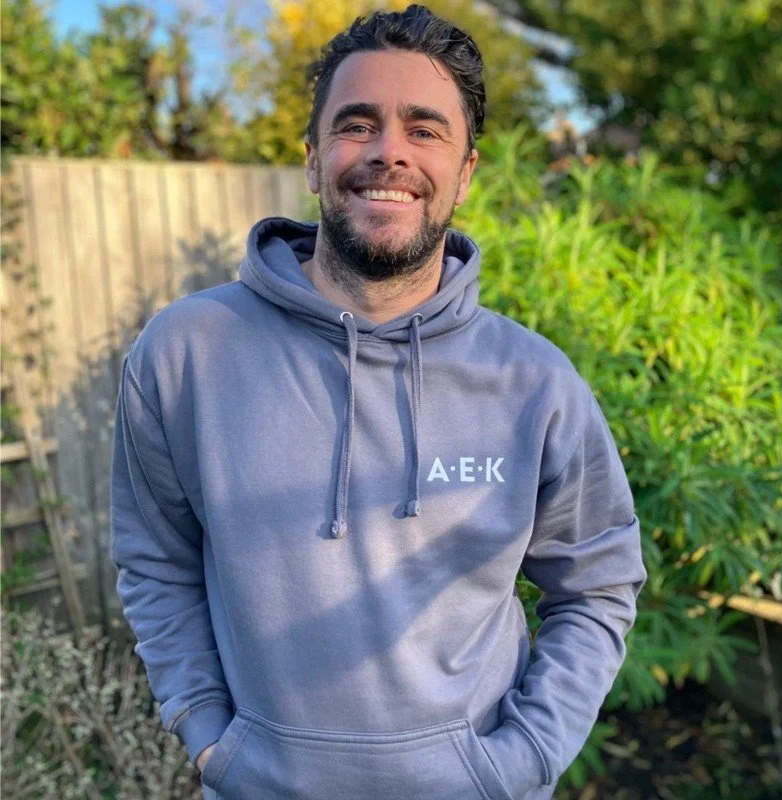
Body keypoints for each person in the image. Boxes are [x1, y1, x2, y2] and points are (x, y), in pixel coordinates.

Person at [110, 5, 647, 799]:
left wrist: (522, 759)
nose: (389, 151)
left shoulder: (536, 383)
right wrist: (207, 734)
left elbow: (598, 584)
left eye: (424, 129)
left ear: (466, 171)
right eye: (357, 124)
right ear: (313, 158)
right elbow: (156, 560)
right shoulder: (186, 353)